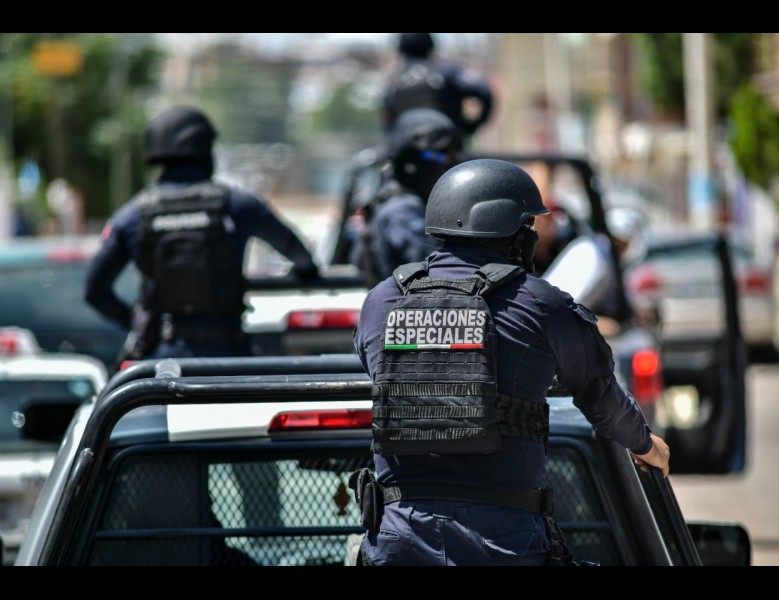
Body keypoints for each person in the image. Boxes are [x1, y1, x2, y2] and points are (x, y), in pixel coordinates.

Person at [349, 158, 669, 566]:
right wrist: (645, 444)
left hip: (398, 540)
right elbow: (600, 395)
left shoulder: (381, 301)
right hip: (501, 541)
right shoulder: (540, 304)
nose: (532, 235)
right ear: (508, 231)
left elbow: (378, 369)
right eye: (527, 225)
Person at [84, 105, 319, 365]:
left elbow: (94, 291)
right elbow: (302, 257)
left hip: (162, 365)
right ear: (203, 149)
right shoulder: (238, 205)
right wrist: (306, 273)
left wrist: (139, 324)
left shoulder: (132, 216)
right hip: (229, 361)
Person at [349, 107, 463, 287]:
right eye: (438, 156)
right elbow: (439, 270)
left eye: (451, 157)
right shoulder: (402, 210)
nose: (447, 163)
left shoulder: (406, 203)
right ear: (410, 162)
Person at [379, 33, 494, 141]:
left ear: (401, 49)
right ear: (430, 46)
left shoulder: (392, 81)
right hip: (446, 144)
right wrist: (469, 127)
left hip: (406, 146)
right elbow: (483, 91)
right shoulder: (447, 72)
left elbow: (387, 118)